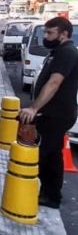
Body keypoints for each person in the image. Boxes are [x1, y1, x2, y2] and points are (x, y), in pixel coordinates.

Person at [19, 17, 78, 209]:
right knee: (52, 156)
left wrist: (34, 108)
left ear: (64, 34)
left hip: (57, 115)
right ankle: (51, 195)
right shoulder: (58, 51)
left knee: (41, 155)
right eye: (45, 32)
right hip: (54, 114)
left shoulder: (67, 53)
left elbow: (54, 83)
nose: (46, 36)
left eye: (50, 33)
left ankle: (42, 194)